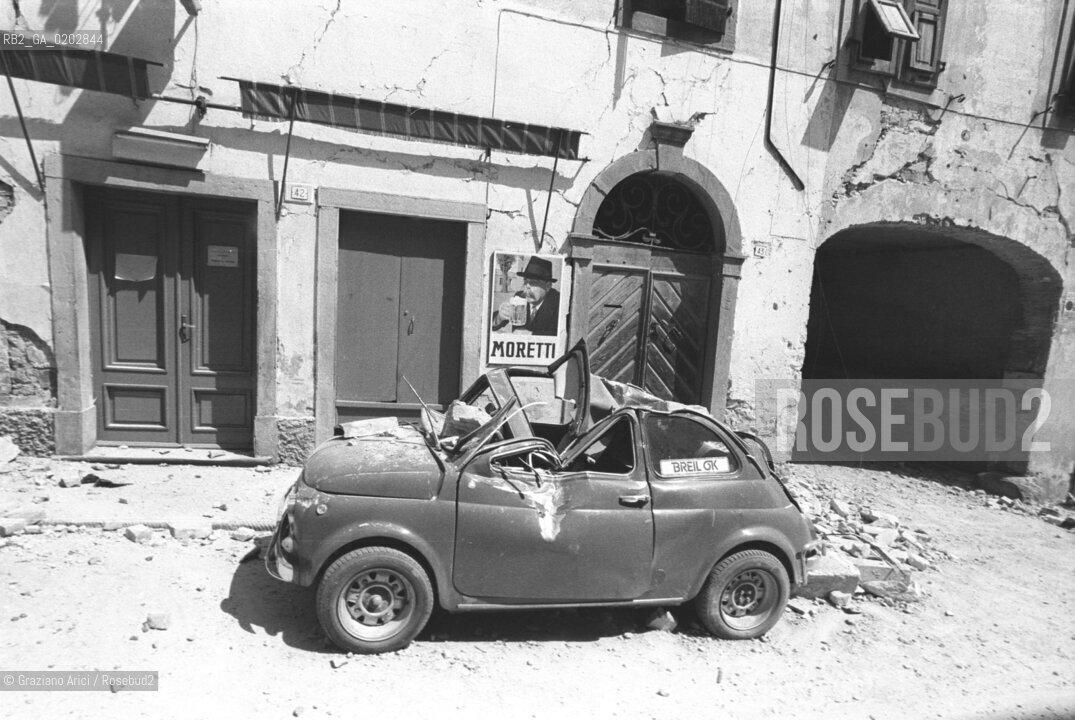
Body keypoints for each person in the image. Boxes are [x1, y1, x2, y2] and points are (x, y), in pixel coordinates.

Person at [493, 256, 561, 335]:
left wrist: (531, 335)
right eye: (525, 281)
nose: (527, 286)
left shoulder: (558, 302)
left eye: (534, 282)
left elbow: (558, 336)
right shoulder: (520, 297)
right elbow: (493, 323)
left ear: (548, 286)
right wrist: (499, 317)